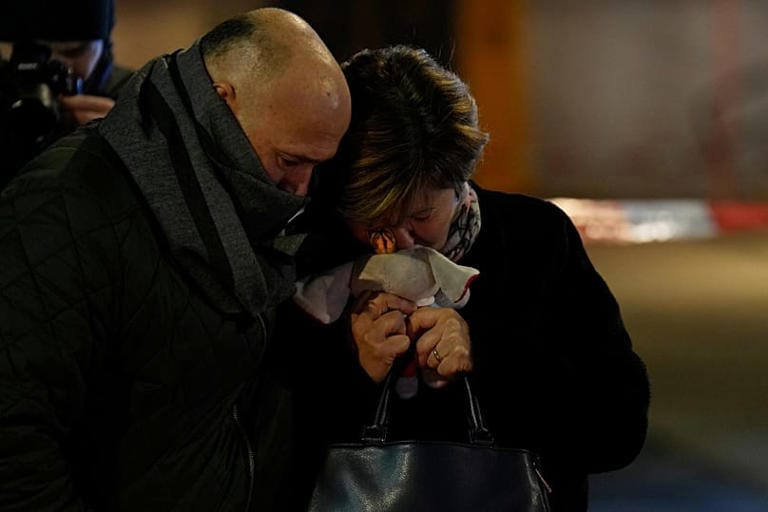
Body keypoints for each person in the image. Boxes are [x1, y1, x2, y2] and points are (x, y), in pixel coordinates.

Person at [0, 7, 350, 511]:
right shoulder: (66, 204)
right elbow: (14, 439)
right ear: (222, 103)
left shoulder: (250, 198)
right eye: (291, 161)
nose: (300, 189)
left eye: (317, 165)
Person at [273, 45, 650, 511]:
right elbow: (257, 449)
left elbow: (619, 431)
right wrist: (351, 367)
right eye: (372, 220)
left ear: (459, 183)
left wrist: (487, 357)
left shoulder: (534, 239)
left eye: (421, 215)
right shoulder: (310, 253)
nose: (395, 241)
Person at [0, 0, 133, 187]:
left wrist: (133, 151)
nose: (49, 67)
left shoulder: (138, 102)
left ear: (104, 44)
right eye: (27, 53)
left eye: (72, 52)